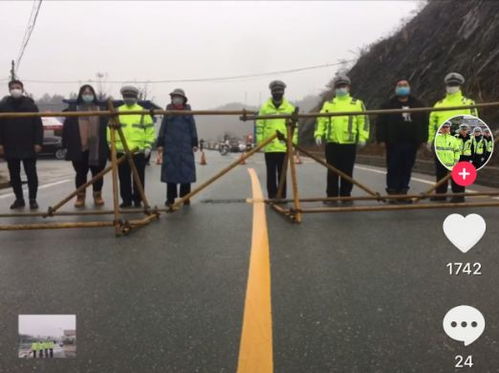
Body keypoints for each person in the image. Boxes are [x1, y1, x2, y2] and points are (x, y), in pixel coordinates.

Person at [314, 75, 369, 205]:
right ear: (334, 89)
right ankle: (331, 196)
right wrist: (318, 134)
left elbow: (364, 121)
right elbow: (321, 121)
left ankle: (346, 196)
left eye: (343, 86)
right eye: (338, 86)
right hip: (332, 143)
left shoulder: (356, 104)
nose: (341, 89)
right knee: (332, 171)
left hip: (349, 143)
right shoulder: (329, 104)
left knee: (347, 171)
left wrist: (363, 137)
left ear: (349, 87)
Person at [428, 72, 478, 202]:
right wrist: (430, 140)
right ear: (446, 86)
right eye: (450, 84)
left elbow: (475, 121)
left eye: (455, 84)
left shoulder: (468, 102)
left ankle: (458, 194)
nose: (452, 87)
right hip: (441, 141)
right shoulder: (439, 104)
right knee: (440, 170)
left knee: (460, 168)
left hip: (461, 141)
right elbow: (432, 124)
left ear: (460, 86)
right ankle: (440, 193)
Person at [376, 80, 427, 202]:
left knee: (407, 166)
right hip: (393, 142)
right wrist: (381, 139)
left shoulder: (417, 104)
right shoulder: (388, 105)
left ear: (409, 88)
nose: (402, 88)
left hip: (411, 142)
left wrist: (423, 139)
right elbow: (381, 123)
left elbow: (424, 123)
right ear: (395, 88)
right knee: (393, 166)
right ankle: (392, 191)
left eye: (405, 86)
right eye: (400, 86)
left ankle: (403, 190)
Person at [108, 85, 155, 208]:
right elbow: (110, 129)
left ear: (136, 97)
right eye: (126, 96)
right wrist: (110, 143)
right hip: (121, 150)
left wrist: (148, 145)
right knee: (123, 178)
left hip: (138, 151)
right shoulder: (117, 111)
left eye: (131, 96)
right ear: (123, 97)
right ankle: (127, 200)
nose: (128, 98)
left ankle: (138, 199)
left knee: (139, 178)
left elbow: (149, 130)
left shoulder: (143, 112)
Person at [62, 84, 109, 207]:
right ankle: (80, 197)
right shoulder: (73, 109)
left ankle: (97, 195)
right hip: (79, 147)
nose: (87, 95)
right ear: (80, 95)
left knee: (98, 174)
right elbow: (66, 128)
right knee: (80, 174)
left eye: (90, 93)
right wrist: (65, 144)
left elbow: (108, 128)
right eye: (85, 93)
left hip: (97, 147)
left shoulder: (101, 109)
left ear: (93, 95)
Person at [0, 80, 43, 209]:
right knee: (14, 175)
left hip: (28, 145)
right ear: (9, 90)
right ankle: (19, 199)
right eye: (12, 87)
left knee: (31, 174)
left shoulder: (30, 105)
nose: (15, 89)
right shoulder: (3, 105)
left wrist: (38, 142)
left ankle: (32, 199)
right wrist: (0, 144)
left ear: (22, 89)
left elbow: (38, 125)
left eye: (17, 87)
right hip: (10, 145)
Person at [156, 88, 198, 207]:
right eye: (174, 97)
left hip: (185, 146)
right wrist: (160, 143)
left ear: (183, 99)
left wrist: (194, 143)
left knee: (186, 172)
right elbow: (163, 128)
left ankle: (185, 198)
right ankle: (170, 199)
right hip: (170, 147)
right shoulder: (168, 111)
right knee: (170, 173)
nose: (176, 99)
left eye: (178, 97)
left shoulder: (188, 112)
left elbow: (192, 127)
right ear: (172, 99)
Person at [256, 80, 296, 200]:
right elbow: (259, 125)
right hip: (270, 146)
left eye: (280, 90)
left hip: (284, 146)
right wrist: (260, 143)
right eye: (275, 91)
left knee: (283, 173)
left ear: (283, 91)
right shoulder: (264, 107)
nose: (277, 92)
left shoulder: (290, 107)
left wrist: (293, 143)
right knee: (271, 173)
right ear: (271, 92)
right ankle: (272, 196)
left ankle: (282, 196)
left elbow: (295, 127)